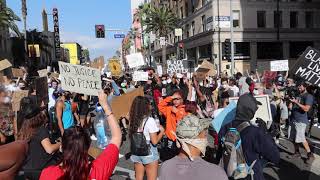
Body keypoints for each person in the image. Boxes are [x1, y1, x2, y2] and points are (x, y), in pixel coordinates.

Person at [40, 91, 122, 180]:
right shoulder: (97, 170)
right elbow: (117, 138)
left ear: (61, 147)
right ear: (88, 147)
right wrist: (105, 106)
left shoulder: (48, 174)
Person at [219, 81, 280, 180]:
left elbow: (219, 153)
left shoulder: (224, 127)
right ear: (251, 111)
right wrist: (266, 133)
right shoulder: (255, 132)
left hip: (228, 174)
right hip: (250, 176)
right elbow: (275, 157)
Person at [159, 115, 228, 180]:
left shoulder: (165, 167)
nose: (206, 139)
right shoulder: (216, 173)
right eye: (204, 135)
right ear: (196, 141)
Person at [17, 104, 61, 179]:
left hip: (26, 169)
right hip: (41, 169)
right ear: (38, 116)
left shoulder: (24, 130)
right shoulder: (40, 129)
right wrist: (60, 143)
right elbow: (49, 149)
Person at [129, 96, 165, 180]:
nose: (151, 106)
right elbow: (155, 141)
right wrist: (162, 131)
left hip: (136, 151)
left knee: (138, 178)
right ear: (145, 107)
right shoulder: (150, 120)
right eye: (149, 104)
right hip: (149, 152)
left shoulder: (132, 119)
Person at [289, 82, 315, 164]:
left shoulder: (309, 96)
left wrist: (296, 102)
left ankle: (309, 154)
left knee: (301, 138)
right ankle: (297, 152)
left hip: (301, 121)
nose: (298, 87)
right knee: (293, 138)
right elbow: (291, 107)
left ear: (305, 87)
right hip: (294, 119)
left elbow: (306, 109)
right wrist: (291, 101)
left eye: (300, 86)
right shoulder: (298, 94)